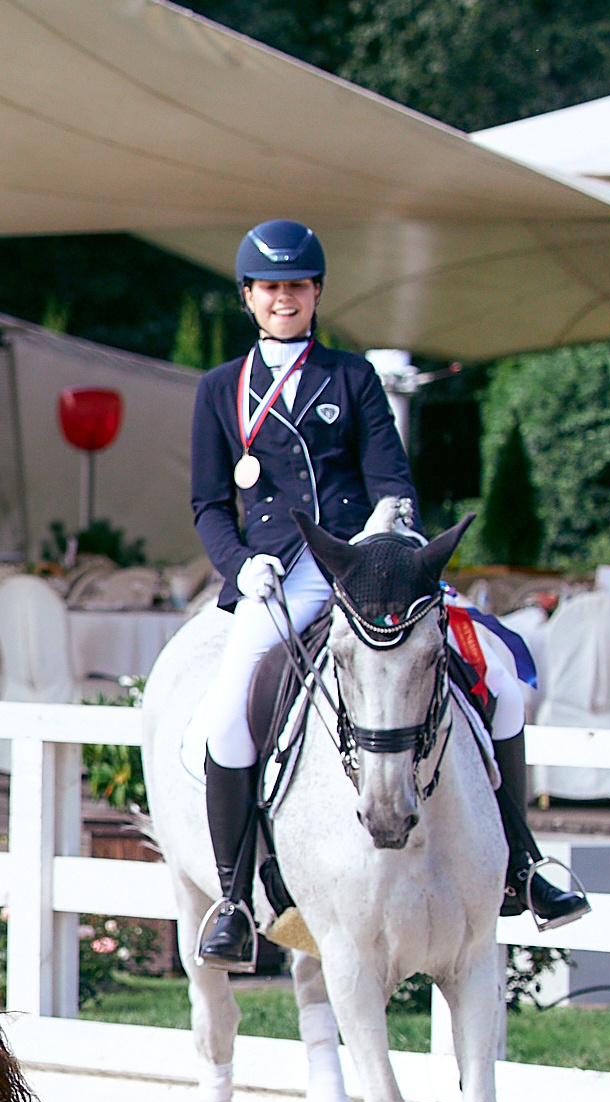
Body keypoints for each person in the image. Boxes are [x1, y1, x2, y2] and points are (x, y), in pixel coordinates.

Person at [188, 219, 585, 973]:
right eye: (270, 287)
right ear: (248, 295)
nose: (284, 299)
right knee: (226, 720)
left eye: (297, 287)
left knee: (499, 685)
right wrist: (239, 564)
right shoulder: (218, 390)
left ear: (315, 294)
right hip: (275, 576)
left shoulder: (352, 378)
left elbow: (392, 476)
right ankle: (237, 901)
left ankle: (522, 864)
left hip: (366, 566)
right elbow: (210, 501)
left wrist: (384, 529)